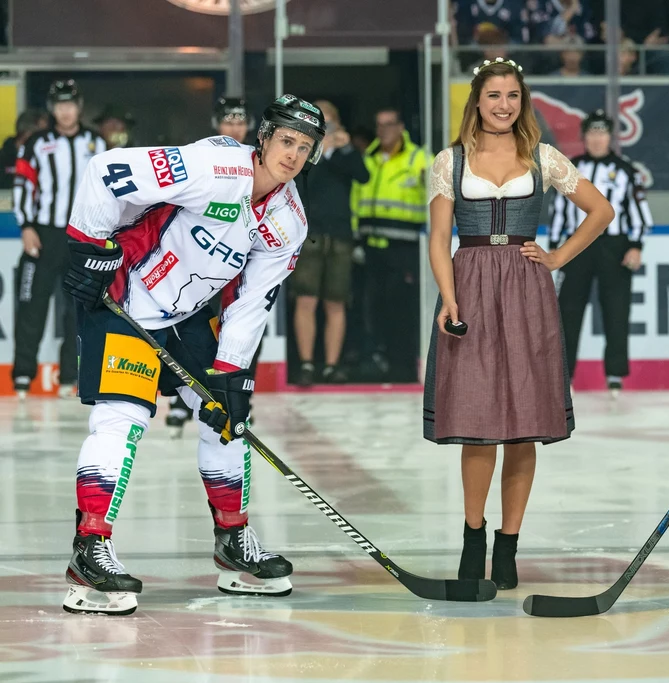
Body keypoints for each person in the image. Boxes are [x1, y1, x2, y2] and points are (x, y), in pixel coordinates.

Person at [59, 95, 325, 616]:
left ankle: (233, 541)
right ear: (264, 137)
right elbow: (106, 169)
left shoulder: (290, 221)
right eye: (286, 141)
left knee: (226, 422)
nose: (292, 155)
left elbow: (253, 301)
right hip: (127, 297)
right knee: (123, 419)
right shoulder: (214, 166)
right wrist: (87, 248)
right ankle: (89, 549)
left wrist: (232, 372)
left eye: (304, 147)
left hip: (190, 318)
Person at [424, 58, 613, 590]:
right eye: (493, 96)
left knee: (523, 425)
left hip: (528, 291)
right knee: (478, 425)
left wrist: (557, 258)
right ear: (476, 102)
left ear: (521, 101)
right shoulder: (450, 161)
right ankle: (473, 538)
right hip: (472, 287)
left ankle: (507, 546)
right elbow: (440, 240)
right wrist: (448, 296)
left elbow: (600, 212)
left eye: (512, 95)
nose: (503, 105)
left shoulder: (544, 157)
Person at [166, 95, 256, 438]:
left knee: (239, 325)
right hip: (202, 258)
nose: (234, 126)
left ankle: (236, 392)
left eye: (240, 120)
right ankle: (180, 397)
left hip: (240, 262)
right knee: (190, 324)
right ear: (217, 123)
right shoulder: (205, 155)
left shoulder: (259, 160)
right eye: (228, 120)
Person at [12, 80, 107, 399]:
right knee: (31, 306)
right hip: (44, 233)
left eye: (70, 104)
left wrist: (103, 230)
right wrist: (26, 226)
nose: (65, 111)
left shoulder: (97, 142)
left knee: (76, 310)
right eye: (59, 105)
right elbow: (24, 186)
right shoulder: (37, 142)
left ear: (79, 107)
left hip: (81, 236)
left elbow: (108, 191)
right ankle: (23, 375)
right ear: (52, 109)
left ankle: (71, 376)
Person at [553, 109, 652, 396]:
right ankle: (563, 374)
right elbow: (559, 210)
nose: (597, 139)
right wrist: (557, 246)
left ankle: (615, 374)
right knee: (568, 312)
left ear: (611, 136)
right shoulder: (570, 169)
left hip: (614, 246)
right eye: (592, 133)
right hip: (577, 245)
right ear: (584, 136)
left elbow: (639, 213)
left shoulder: (625, 170)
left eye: (602, 133)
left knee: (617, 310)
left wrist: (635, 245)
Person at [291, 100, 370, 386]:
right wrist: (320, 147)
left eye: (331, 119)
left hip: (340, 235)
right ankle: (307, 364)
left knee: (336, 302)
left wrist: (344, 148)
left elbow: (363, 175)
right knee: (306, 299)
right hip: (309, 233)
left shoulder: (344, 150)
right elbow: (302, 175)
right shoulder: (302, 148)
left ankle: (331, 365)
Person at [351, 108, 430, 382]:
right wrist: (355, 239)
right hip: (371, 247)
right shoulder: (369, 159)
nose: (383, 130)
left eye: (389, 124)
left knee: (402, 307)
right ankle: (378, 361)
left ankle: (404, 365)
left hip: (404, 247)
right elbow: (355, 199)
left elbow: (436, 193)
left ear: (401, 127)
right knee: (373, 307)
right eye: (379, 125)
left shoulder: (419, 158)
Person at [0, 109, 47, 190]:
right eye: (42, 134)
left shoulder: (47, 159)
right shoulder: (3, 159)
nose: (47, 139)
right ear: (27, 134)